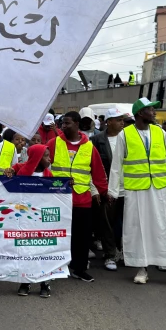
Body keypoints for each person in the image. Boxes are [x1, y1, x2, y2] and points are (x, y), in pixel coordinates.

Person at [108, 98, 166, 286]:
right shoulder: (125, 135)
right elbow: (116, 166)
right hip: (136, 190)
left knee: (165, 228)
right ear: (140, 113)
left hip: (160, 189)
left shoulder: (160, 132)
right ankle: (142, 268)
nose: (154, 112)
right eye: (150, 109)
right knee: (139, 228)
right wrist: (113, 191)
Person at [50, 111, 108, 283]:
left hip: (82, 200)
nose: (63, 126)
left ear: (77, 124)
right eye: (62, 123)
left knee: (81, 238)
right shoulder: (54, 143)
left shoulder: (89, 147)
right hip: (58, 199)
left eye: (67, 123)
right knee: (57, 235)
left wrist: (103, 193)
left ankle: (79, 268)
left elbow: (98, 173)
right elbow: (43, 163)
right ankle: (54, 267)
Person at [13, 143, 54, 298]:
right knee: (26, 250)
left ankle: (45, 282)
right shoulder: (19, 170)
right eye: (46, 155)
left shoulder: (48, 175)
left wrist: (66, 187)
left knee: (43, 250)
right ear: (37, 157)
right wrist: (9, 172)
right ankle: (25, 281)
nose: (49, 159)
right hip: (25, 220)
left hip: (43, 221)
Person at [90, 108, 127, 271]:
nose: (122, 123)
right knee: (107, 223)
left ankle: (125, 252)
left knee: (128, 223)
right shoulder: (97, 140)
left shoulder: (128, 138)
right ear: (109, 121)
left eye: (122, 120)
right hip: (108, 189)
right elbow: (92, 166)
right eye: (118, 120)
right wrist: (96, 189)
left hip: (129, 188)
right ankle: (110, 255)